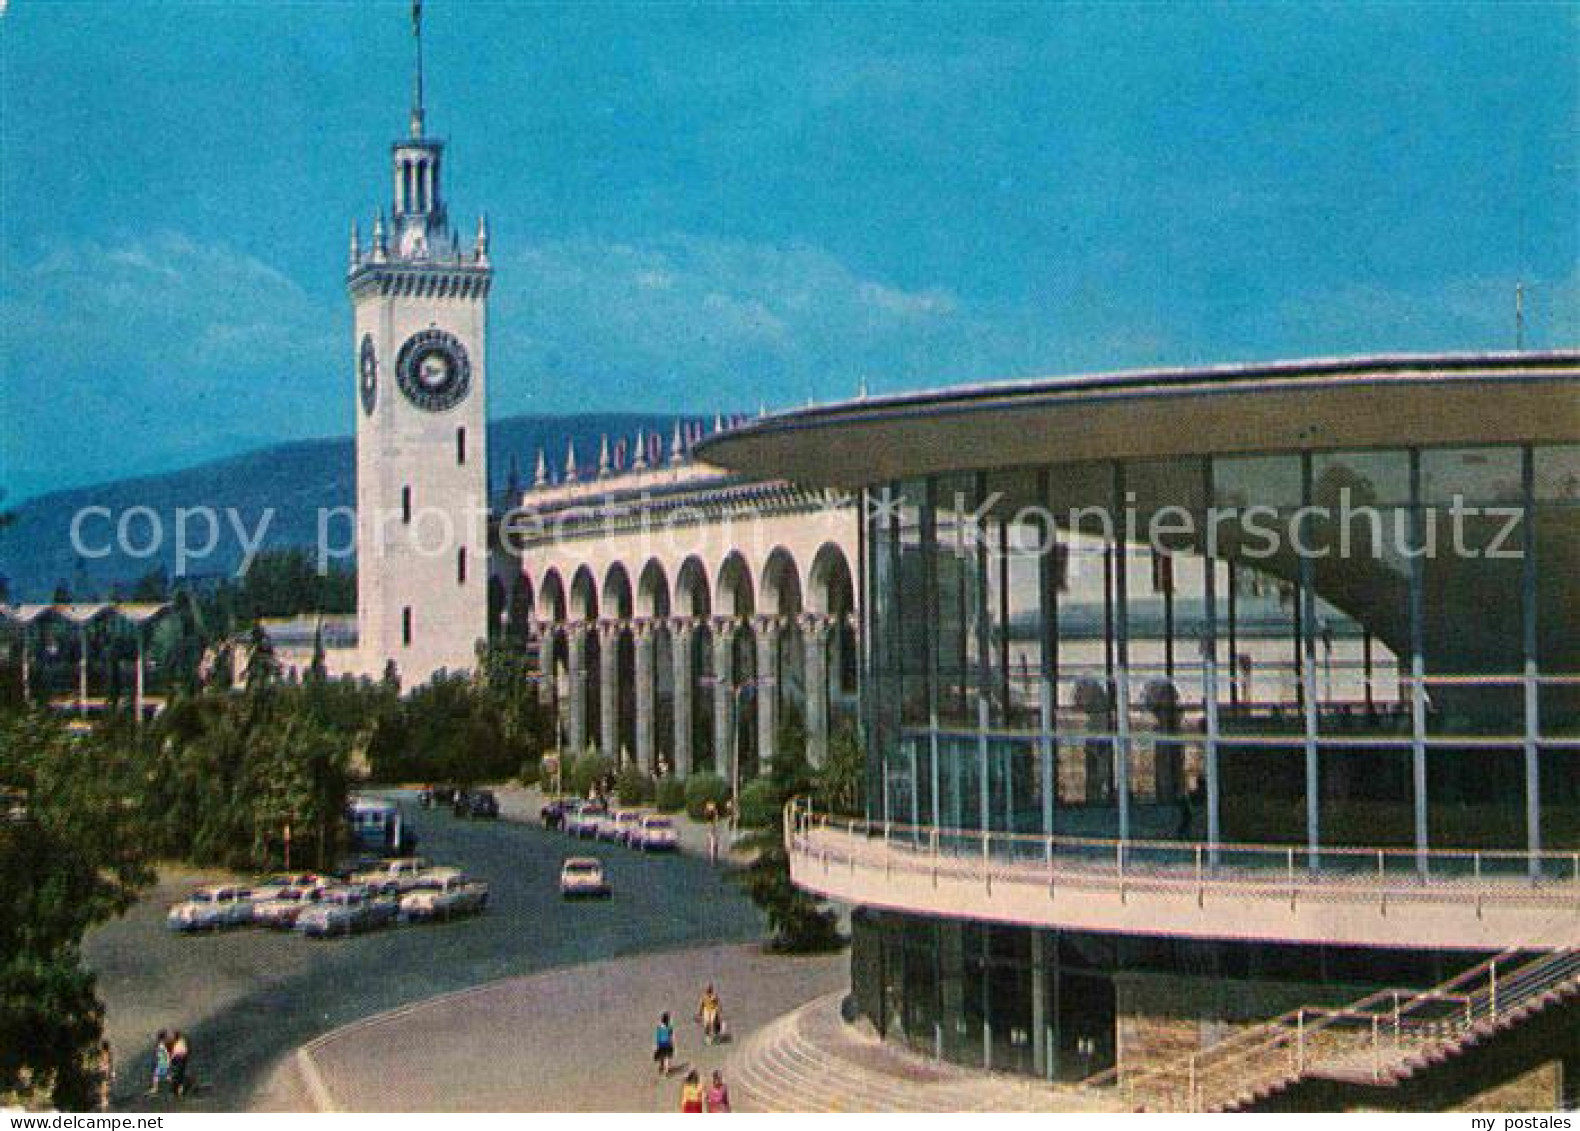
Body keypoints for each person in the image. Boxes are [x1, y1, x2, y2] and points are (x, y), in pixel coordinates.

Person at [147, 1031, 170, 1096]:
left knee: (155, 1075)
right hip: (163, 1062)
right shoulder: (161, 1044)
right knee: (165, 1075)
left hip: (161, 1063)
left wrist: (159, 1060)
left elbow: (164, 1054)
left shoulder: (160, 1045)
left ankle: (155, 1088)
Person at [168, 1031, 190, 1098]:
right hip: (181, 1060)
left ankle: (178, 1091)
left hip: (179, 1060)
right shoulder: (181, 1042)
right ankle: (178, 1091)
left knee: (177, 1075)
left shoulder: (178, 1044)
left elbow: (176, 1053)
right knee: (179, 1075)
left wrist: (171, 1059)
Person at [654, 1012, 675, 1077]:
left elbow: (658, 1037)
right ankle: (665, 1070)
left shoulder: (659, 1027)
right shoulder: (670, 1028)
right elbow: (671, 1037)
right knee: (666, 1057)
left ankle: (664, 1069)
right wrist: (673, 1046)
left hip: (661, 1045)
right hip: (667, 1046)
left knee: (663, 1058)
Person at [96, 1040, 114, 1112]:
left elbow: (108, 1062)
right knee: (103, 1085)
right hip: (105, 1071)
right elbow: (110, 1063)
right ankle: (103, 1100)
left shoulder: (103, 1053)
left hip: (103, 1071)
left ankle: (103, 1100)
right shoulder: (108, 1053)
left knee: (103, 1085)